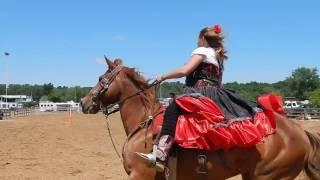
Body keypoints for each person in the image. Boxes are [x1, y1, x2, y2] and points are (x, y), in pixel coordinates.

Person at [137, 25, 257, 171]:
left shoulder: (202, 50)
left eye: (197, 39)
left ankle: (161, 154)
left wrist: (163, 76)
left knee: (172, 110)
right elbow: (218, 82)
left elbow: (185, 70)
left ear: (202, 39)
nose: (196, 42)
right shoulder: (217, 57)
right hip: (215, 94)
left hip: (199, 92)